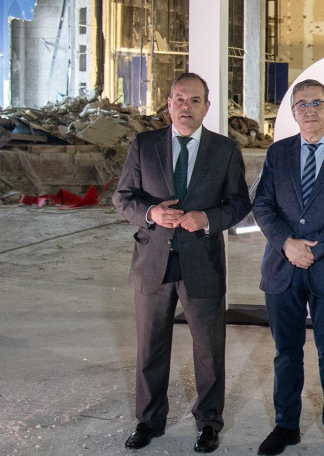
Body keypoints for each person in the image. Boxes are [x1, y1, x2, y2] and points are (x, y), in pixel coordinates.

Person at [112, 72, 251, 453]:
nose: (185, 107)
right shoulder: (144, 145)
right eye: (178, 99)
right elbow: (123, 197)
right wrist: (151, 213)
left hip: (202, 262)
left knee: (208, 349)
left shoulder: (224, 150)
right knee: (150, 348)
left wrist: (207, 219)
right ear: (168, 104)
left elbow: (239, 203)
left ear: (207, 106)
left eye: (194, 100)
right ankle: (149, 421)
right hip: (153, 262)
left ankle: (209, 423)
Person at [251, 79, 324, 456]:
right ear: (292, 112)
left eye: (317, 103)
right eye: (301, 104)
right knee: (286, 352)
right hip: (282, 268)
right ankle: (286, 426)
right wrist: (287, 243)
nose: (309, 110)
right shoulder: (278, 153)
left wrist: (313, 251)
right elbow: (263, 205)